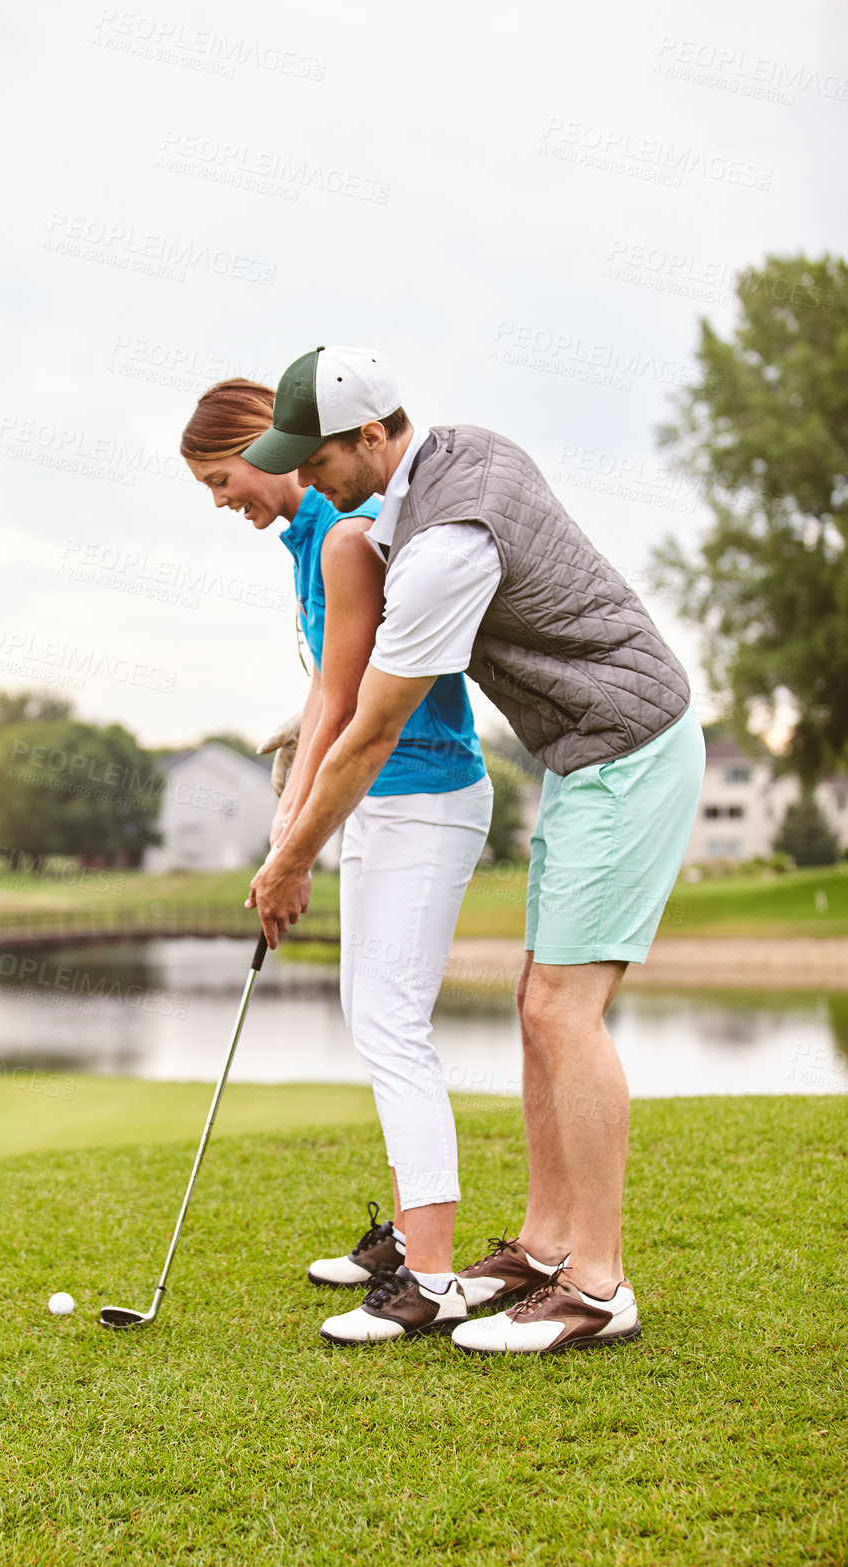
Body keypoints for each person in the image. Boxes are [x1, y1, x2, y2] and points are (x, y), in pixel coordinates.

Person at [245, 345, 706, 1355]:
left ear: (371, 436)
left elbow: (371, 733)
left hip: (628, 750)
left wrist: (287, 863)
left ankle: (595, 1285)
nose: (305, 479)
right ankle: (542, 1250)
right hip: (588, 759)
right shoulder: (459, 457)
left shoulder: (447, 540)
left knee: (559, 1009)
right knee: (535, 1002)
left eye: (314, 458)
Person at [180, 371, 493, 1344]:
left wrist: (293, 846)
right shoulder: (311, 540)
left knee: (391, 1021)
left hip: (423, 792)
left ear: (257, 444)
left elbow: (351, 707)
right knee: (371, 1012)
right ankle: (407, 1239)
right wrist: (290, 819)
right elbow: (321, 691)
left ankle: (431, 1277)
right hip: (383, 801)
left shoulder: (348, 538)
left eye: (221, 479)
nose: (223, 502)